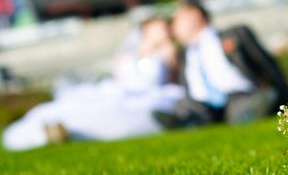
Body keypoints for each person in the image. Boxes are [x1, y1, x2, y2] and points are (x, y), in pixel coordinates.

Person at [2, 17, 185, 151]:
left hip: (145, 97)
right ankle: (44, 132)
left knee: (107, 116)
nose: (164, 31)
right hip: (122, 93)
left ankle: (63, 132)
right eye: (159, 27)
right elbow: (123, 77)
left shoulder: (168, 52)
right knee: (67, 108)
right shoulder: (130, 54)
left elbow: (162, 82)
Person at [154, 0, 288, 128]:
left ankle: (245, 113)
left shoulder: (234, 35)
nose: (173, 27)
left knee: (246, 105)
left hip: (238, 96)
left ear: (194, 16)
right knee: (186, 107)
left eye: (177, 20)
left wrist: (285, 94)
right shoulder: (184, 54)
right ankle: (186, 120)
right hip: (202, 105)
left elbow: (267, 65)